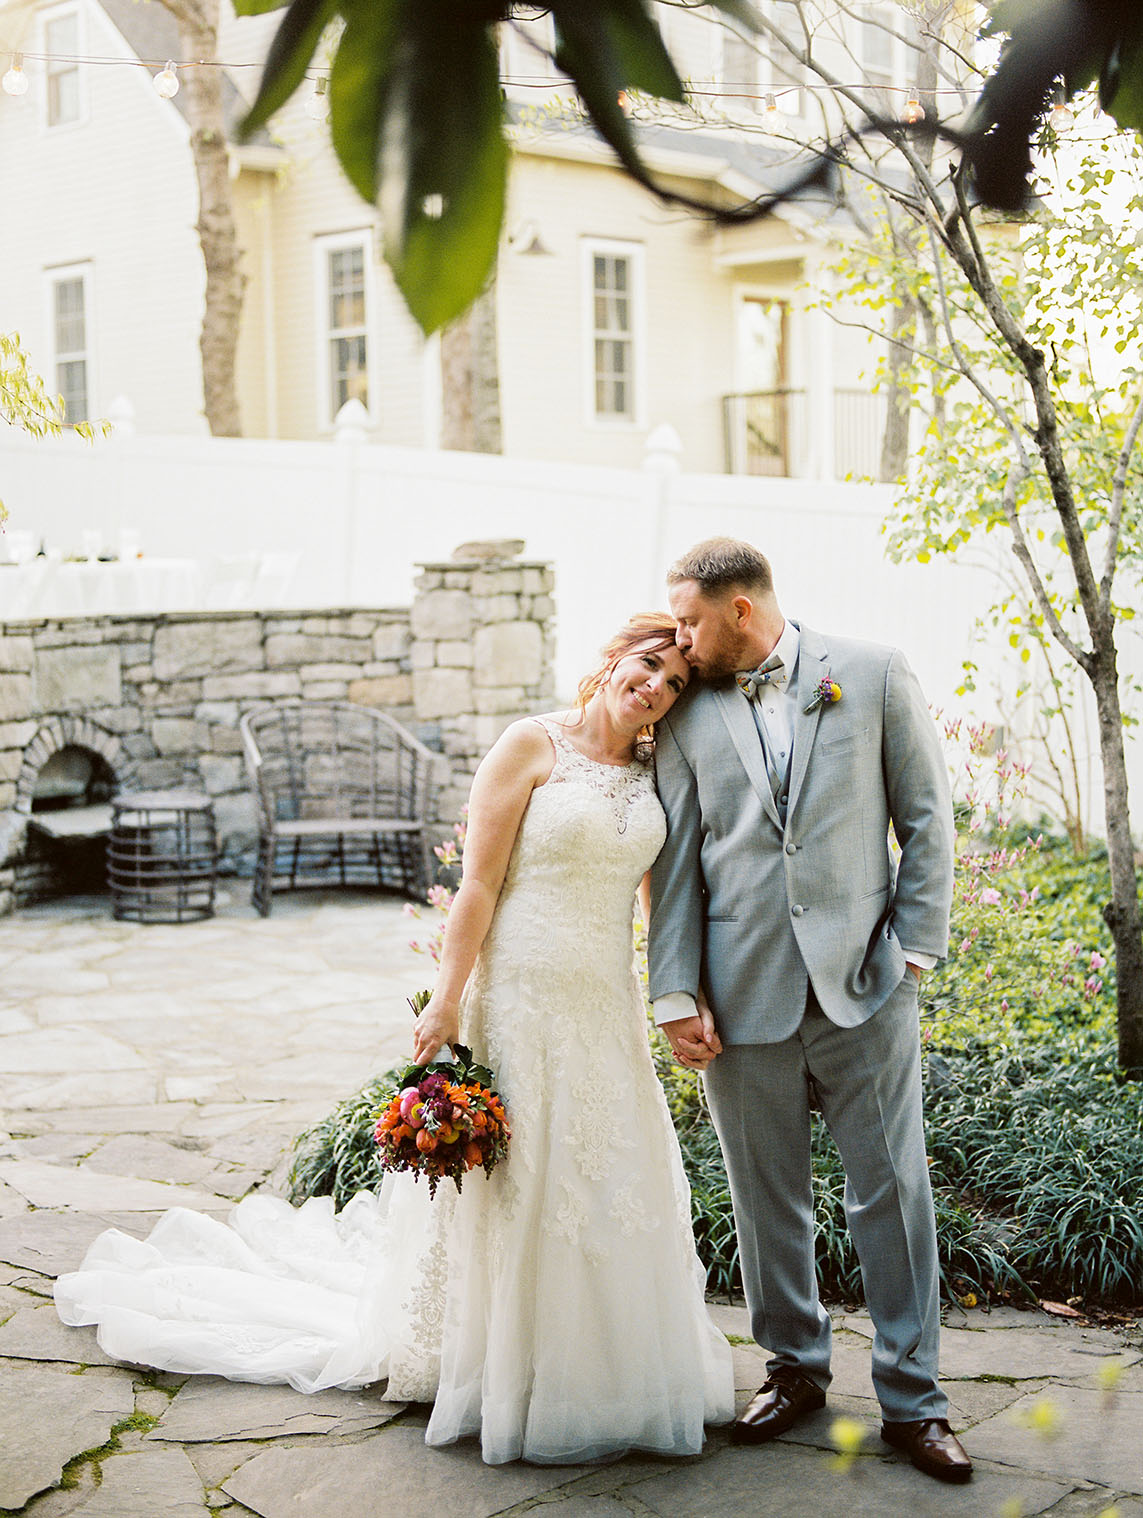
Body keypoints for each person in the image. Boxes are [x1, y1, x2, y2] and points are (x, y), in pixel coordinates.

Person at [56, 613, 735, 1466]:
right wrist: (446, 1003)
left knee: (606, 1173)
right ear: (613, 659)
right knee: (521, 1179)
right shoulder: (530, 746)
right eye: (648, 667)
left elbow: (656, 902)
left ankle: (609, 1364)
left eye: (674, 685)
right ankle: (497, 1361)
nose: (655, 689)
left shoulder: (652, 769)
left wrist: (685, 995)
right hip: (519, 996)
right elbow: (477, 886)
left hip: (602, 1001)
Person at [648, 537, 972, 1485]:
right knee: (765, 1197)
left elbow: (926, 816)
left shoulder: (869, 675)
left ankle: (914, 1402)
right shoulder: (686, 711)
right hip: (739, 994)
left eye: (690, 620)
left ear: (740, 610)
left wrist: (911, 951)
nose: (679, 637)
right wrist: (673, 993)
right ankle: (794, 1370)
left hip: (864, 990)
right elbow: (672, 869)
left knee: (892, 1195)